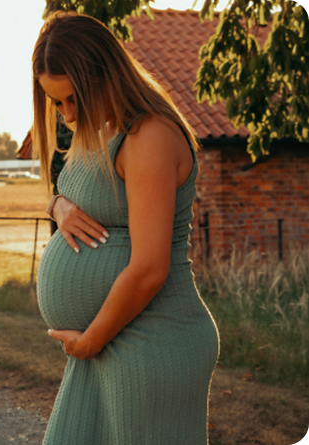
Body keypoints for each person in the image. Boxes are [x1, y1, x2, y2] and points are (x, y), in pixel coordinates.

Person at [32, 11, 220, 444]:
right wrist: (57, 206)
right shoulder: (100, 129)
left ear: (103, 76)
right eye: (55, 102)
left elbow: (150, 267)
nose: (66, 114)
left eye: (72, 98)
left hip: (153, 340)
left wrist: (90, 340)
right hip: (109, 339)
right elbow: (82, 197)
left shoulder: (149, 136)